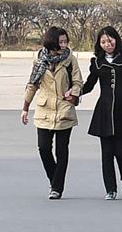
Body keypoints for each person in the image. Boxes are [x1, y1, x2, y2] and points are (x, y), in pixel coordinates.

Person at [81, 26, 122, 200]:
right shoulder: (96, 62)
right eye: (103, 42)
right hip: (104, 111)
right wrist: (74, 92)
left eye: (110, 40)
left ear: (116, 40)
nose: (107, 44)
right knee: (106, 153)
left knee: (120, 151)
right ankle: (110, 189)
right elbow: (89, 84)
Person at [20, 27, 82, 200]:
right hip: (44, 109)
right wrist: (25, 108)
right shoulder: (40, 60)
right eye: (60, 42)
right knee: (44, 148)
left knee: (62, 151)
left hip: (64, 109)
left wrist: (74, 93)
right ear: (52, 42)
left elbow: (78, 81)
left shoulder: (70, 60)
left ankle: (57, 188)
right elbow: (32, 83)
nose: (63, 45)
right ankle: (54, 179)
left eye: (65, 41)